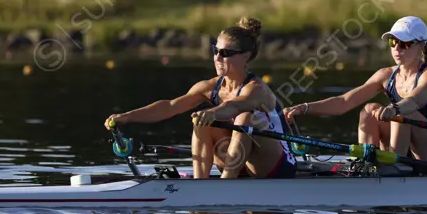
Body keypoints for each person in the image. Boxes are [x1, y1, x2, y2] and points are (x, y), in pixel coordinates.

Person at [103, 17, 297, 179]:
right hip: (241, 162)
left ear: (246, 56)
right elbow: (170, 107)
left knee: (244, 118)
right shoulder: (209, 87)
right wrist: (126, 116)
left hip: (276, 166)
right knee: (203, 122)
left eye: (226, 53)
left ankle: (225, 187)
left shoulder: (256, 89)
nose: (218, 57)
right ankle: (200, 183)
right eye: (216, 50)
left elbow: (235, 106)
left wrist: (212, 112)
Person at [283, 16, 427, 166]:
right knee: (369, 111)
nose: (396, 49)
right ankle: (368, 165)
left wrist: (395, 109)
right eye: (393, 42)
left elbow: (415, 101)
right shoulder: (386, 75)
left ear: (422, 45)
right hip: (411, 149)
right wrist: (303, 108)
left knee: (405, 114)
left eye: (404, 44)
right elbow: (344, 102)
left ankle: (395, 169)